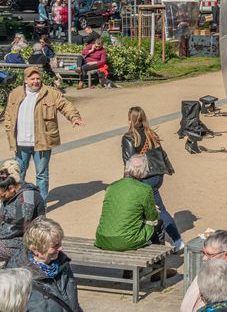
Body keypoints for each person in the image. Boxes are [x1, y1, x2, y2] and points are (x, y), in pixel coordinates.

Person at [2, 66, 85, 202]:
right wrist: (8, 127)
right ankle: (17, 202)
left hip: (42, 142)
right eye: (32, 79)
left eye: (38, 78)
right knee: (17, 175)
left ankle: (40, 205)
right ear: (26, 80)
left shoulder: (51, 93)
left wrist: (74, 117)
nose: (36, 81)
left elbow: (65, 105)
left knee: (41, 175)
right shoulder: (15, 93)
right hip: (21, 142)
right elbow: (8, 114)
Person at [121, 107, 183, 252]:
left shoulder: (129, 137)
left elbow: (129, 161)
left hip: (143, 179)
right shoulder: (151, 134)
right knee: (156, 209)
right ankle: (171, 239)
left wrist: (126, 182)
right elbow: (162, 153)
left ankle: (176, 240)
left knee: (155, 210)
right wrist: (168, 168)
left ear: (130, 119)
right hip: (157, 176)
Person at [3, 218, 82, 312]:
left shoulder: (63, 264)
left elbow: (73, 304)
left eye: (60, 243)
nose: (61, 248)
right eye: (55, 246)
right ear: (35, 249)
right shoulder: (16, 279)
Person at [95, 155, 161, 251]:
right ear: (141, 171)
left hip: (102, 238)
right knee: (160, 223)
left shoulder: (112, 187)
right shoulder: (145, 189)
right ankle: (157, 259)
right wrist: (155, 210)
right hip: (125, 241)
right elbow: (152, 217)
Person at [181, 230, 227, 312]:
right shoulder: (208, 270)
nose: (204, 258)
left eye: (209, 255)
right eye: (203, 253)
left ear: (226, 256)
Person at [0, 160, 46, 261]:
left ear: (11, 188)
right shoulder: (10, 195)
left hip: (30, 241)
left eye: (3, 196)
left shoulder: (27, 198)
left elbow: (19, 225)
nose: (2, 199)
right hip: (13, 237)